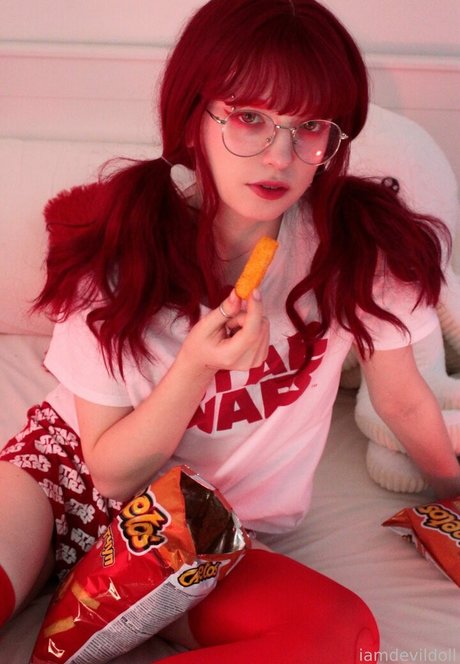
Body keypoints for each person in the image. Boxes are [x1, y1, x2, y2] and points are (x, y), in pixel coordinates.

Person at [1, 0, 459, 661]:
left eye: (309, 127)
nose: (279, 156)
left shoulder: (360, 247)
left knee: (340, 637)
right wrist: (196, 367)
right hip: (67, 481)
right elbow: (109, 471)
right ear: (196, 116)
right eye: (250, 118)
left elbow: (401, 396)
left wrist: (451, 489)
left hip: (207, 533)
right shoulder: (121, 250)